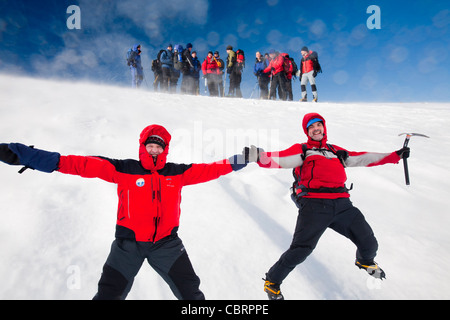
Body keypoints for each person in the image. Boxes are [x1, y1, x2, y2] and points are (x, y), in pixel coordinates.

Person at [0, 125, 247, 300]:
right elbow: (78, 164)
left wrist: (238, 160)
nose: (154, 150)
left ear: (165, 150)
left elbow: (211, 169)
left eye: (158, 147)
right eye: (150, 145)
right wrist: (27, 157)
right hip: (128, 245)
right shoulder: (123, 169)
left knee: (191, 293)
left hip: (167, 244)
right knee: (109, 293)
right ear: (142, 146)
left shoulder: (176, 172)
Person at [243, 112, 410, 300]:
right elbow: (282, 159)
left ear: (324, 127)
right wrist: (259, 157)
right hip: (314, 205)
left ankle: (365, 262)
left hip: (343, 205)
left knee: (369, 241)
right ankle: (272, 282)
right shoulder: (303, 150)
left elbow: (363, 157)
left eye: (318, 125)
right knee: (301, 249)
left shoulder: (335, 151)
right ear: (307, 132)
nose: (316, 129)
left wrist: (395, 155)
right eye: (311, 127)